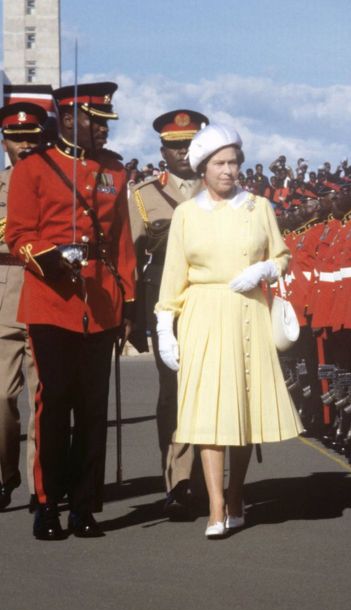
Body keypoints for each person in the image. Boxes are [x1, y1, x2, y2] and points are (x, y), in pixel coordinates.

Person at [155, 123, 302, 538]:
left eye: (234, 162)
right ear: (203, 168)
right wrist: (166, 326)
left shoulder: (259, 207)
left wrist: (265, 268)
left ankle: (236, 495)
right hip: (202, 312)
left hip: (247, 311)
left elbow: (283, 256)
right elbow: (172, 277)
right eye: (219, 163)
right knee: (207, 411)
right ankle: (216, 507)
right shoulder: (185, 214)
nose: (228, 170)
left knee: (241, 408)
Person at [5, 82, 136, 540]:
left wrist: (128, 302)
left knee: (94, 408)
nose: (102, 130)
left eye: (105, 123)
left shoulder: (114, 171)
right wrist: (52, 257)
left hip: (100, 304)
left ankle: (84, 506)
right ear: (69, 117)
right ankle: (47, 503)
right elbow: (18, 233)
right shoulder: (33, 169)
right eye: (95, 121)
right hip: (50, 300)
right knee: (54, 405)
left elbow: (120, 240)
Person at [129, 109, 209, 519]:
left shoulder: (222, 190)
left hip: (213, 304)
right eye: (175, 146)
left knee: (214, 391)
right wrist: (130, 312)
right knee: (174, 393)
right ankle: (178, 481)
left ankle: (213, 481)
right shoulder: (143, 196)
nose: (182, 152)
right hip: (167, 308)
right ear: (163, 151)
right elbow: (130, 256)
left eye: (189, 144)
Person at [0, 102, 48, 511]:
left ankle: (40, 485)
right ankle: (6, 474)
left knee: (42, 399)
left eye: (31, 138)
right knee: (1, 399)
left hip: (46, 294)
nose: (24, 145)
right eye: (16, 139)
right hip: (2, 298)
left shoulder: (56, 186)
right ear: (4, 142)